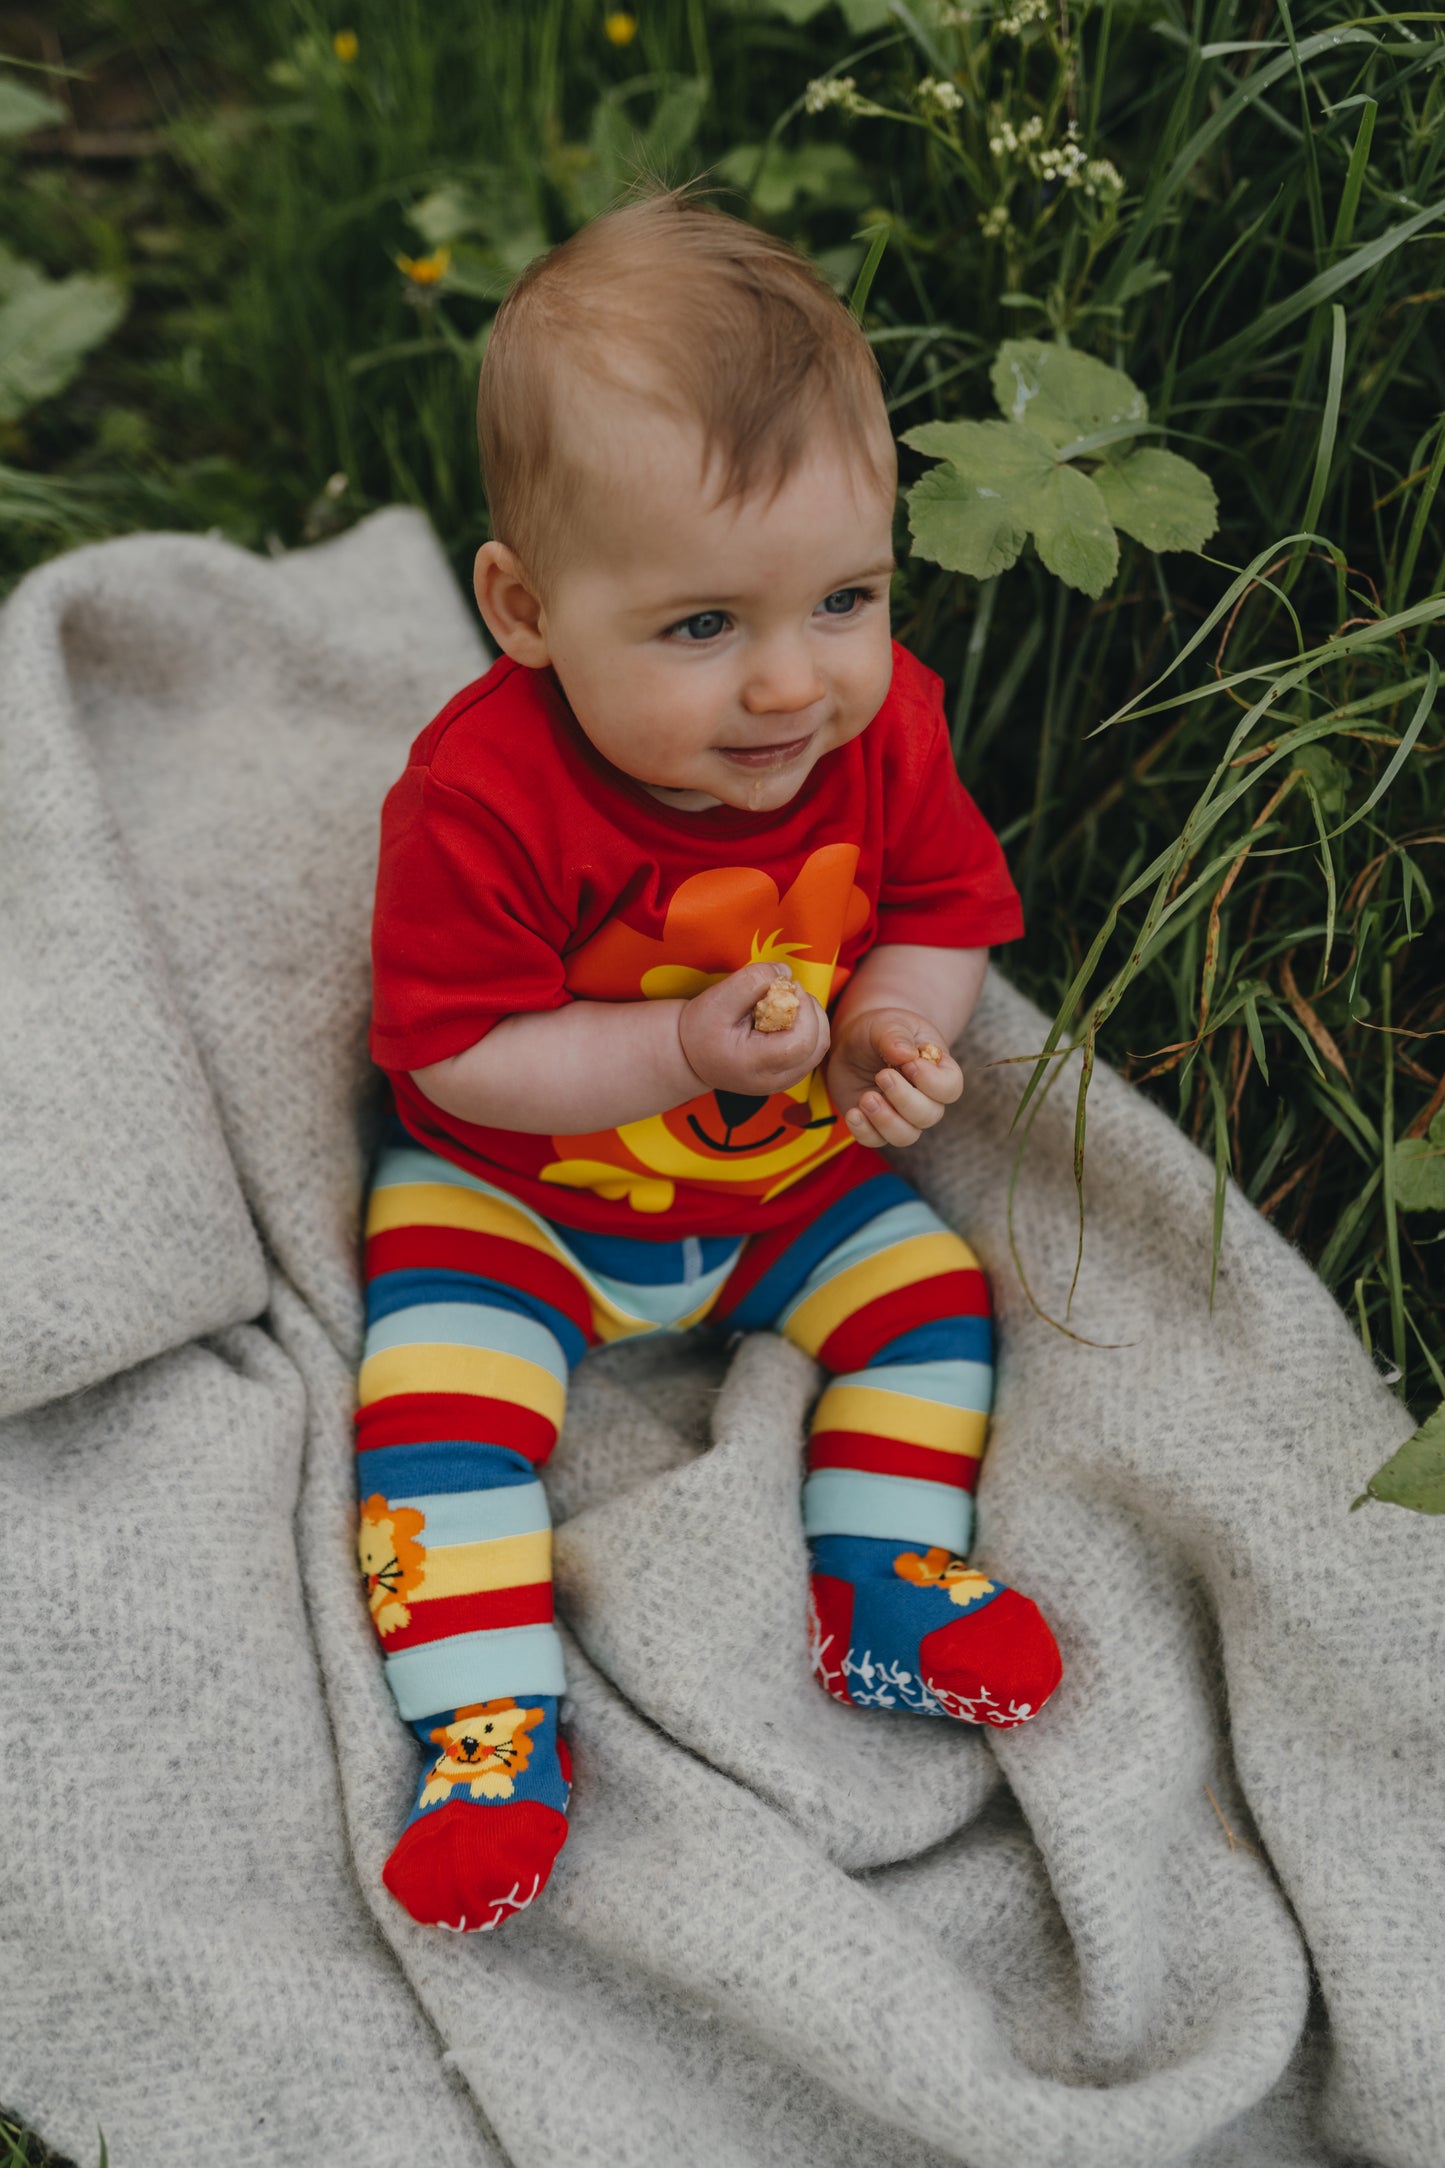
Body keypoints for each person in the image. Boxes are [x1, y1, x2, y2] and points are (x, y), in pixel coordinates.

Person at [357, 189, 1063, 1937]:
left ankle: (881, 1570)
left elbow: (942, 910)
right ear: (525, 608)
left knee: (928, 1302)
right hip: (517, 1198)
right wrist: (676, 1043)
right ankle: (489, 1728)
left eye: (843, 597)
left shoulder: (884, 728)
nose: (788, 685)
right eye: (700, 627)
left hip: (781, 1187)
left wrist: (893, 1025)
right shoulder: (480, 802)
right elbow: (462, 1057)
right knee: (434, 1418)